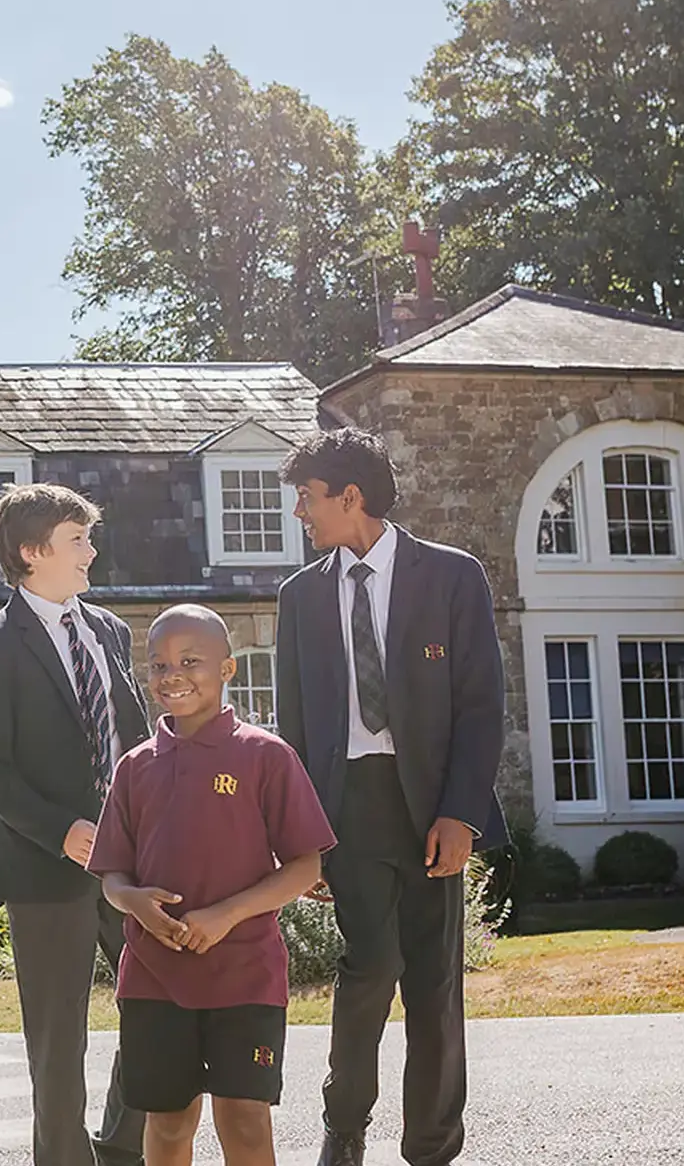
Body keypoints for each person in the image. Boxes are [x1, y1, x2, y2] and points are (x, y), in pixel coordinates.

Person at [273, 429, 506, 1166]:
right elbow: (294, 726)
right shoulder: (300, 597)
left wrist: (462, 811)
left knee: (436, 988)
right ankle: (344, 1127)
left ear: (351, 497)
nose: (301, 516)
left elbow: (481, 704)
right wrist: (298, 842)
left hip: (433, 804)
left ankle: (433, 1147)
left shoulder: (452, 577)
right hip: (348, 807)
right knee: (369, 966)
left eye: (308, 500)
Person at [90, 605, 337, 1166]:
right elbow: (112, 875)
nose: (172, 675)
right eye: (158, 664)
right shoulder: (134, 767)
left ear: (227, 669)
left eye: (190, 661)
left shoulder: (266, 756)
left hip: (245, 973)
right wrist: (134, 903)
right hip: (153, 977)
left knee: (245, 1123)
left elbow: (305, 867)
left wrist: (225, 915)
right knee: (169, 1124)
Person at [0, 482, 151, 1166]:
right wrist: (62, 830)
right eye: (77, 541)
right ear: (32, 552)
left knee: (158, 1013)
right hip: (45, 867)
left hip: (132, 861)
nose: (91, 552)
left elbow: (134, 740)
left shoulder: (111, 631)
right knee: (60, 1041)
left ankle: (121, 1148)